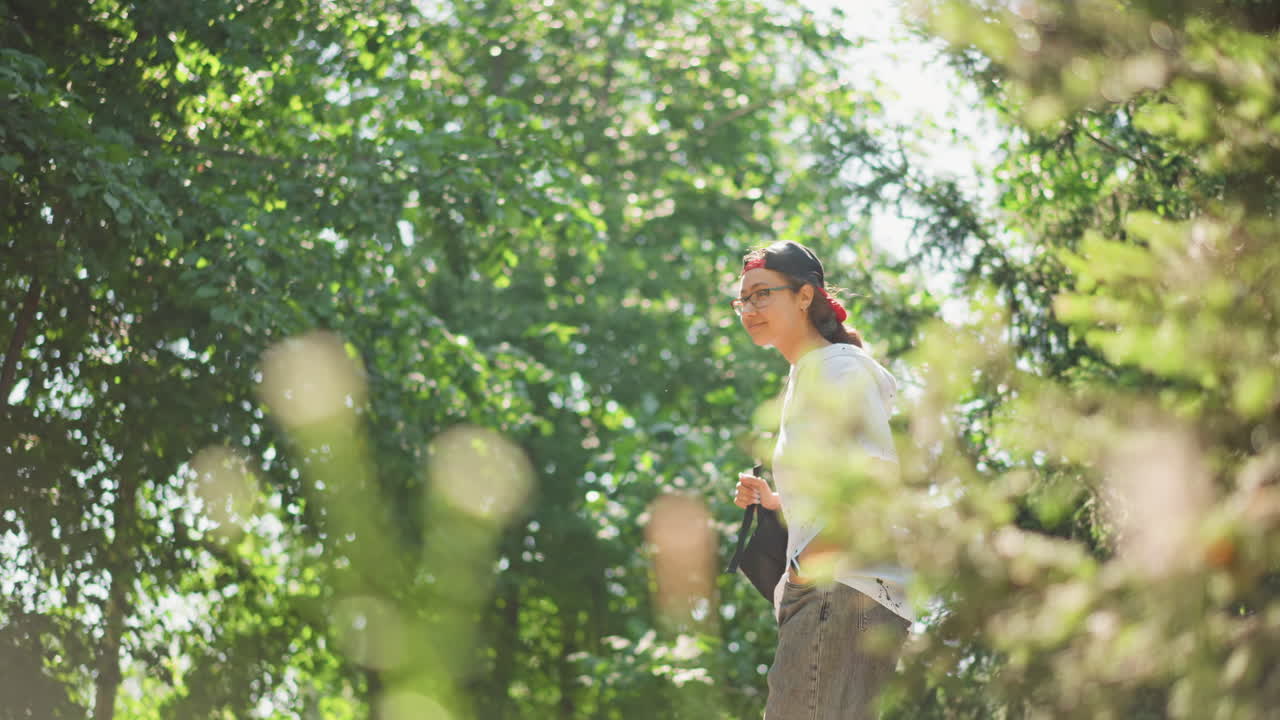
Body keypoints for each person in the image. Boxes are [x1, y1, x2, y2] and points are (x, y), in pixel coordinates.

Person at [730, 240, 911, 720]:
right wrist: (777, 506)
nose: (749, 309)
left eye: (762, 294)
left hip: (838, 592)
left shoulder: (837, 369)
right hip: (845, 591)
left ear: (805, 296)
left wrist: (807, 570)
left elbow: (873, 482)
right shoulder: (810, 374)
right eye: (743, 299)